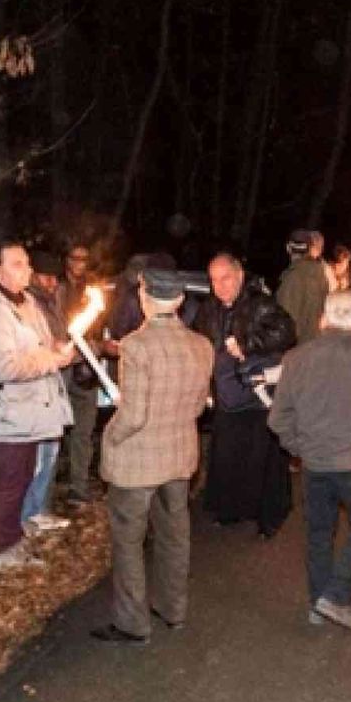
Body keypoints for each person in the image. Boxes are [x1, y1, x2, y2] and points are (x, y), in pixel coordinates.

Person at [91, 271, 214, 645]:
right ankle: (173, 608)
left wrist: (110, 434)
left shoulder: (136, 346)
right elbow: (197, 406)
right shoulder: (202, 345)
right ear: (178, 301)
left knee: (129, 540)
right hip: (178, 454)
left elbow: (134, 416)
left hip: (138, 461)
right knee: (175, 535)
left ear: (145, 298)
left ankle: (132, 623)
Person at [269, 290, 351, 630]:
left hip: (314, 464)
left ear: (325, 316)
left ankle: (317, 603)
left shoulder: (297, 358)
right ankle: (336, 596)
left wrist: (300, 447)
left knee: (319, 532)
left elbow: (278, 418)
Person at [0, 238, 76, 570]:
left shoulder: (25, 302)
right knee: (12, 480)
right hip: (7, 412)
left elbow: (37, 344)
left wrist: (54, 345)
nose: (27, 269)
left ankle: (13, 537)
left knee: (23, 476)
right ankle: (2, 550)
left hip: (27, 411)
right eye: (17, 264)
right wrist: (52, 359)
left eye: (27, 262)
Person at [192, 254, 297, 537]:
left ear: (239, 276)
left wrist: (248, 345)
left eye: (225, 278)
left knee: (264, 459)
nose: (220, 286)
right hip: (226, 395)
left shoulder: (260, 303)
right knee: (228, 457)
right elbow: (198, 342)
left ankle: (269, 518)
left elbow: (286, 332)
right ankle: (231, 510)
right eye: (214, 280)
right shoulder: (208, 309)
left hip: (257, 394)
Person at [21, 251, 73, 534]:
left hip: (53, 384)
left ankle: (39, 509)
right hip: (35, 388)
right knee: (36, 454)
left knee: (51, 449)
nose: (52, 282)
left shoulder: (52, 299)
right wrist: (51, 350)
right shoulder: (27, 303)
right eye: (46, 276)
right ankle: (24, 514)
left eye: (55, 277)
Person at [56, 243, 102, 503]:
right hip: (60, 366)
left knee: (84, 430)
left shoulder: (96, 291)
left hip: (86, 368)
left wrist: (97, 349)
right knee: (54, 428)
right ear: (67, 261)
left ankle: (79, 487)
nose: (79, 263)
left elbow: (101, 330)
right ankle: (49, 484)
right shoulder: (56, 288)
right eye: (74, 258)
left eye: (84, 259)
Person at [275, 229, 330, 345]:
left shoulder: (293, 278)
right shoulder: (321, 276)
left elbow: (285, 320)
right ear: (309, 249)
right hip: (312, 345)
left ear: (288, 248)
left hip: (295, 349)